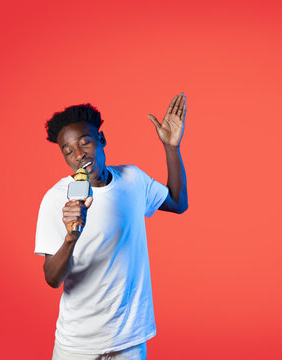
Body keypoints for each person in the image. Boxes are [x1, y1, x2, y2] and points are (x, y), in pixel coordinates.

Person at [34, 93, 188, 360]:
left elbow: (178, 202)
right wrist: (71, 238)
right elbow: (52, 278)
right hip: (77, 345)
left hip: (129, 340)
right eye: (68, 151)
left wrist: (171, 148)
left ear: (102, 140)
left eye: (85, 143)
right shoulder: (57, 199)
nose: (78, 154)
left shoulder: (133, 179)